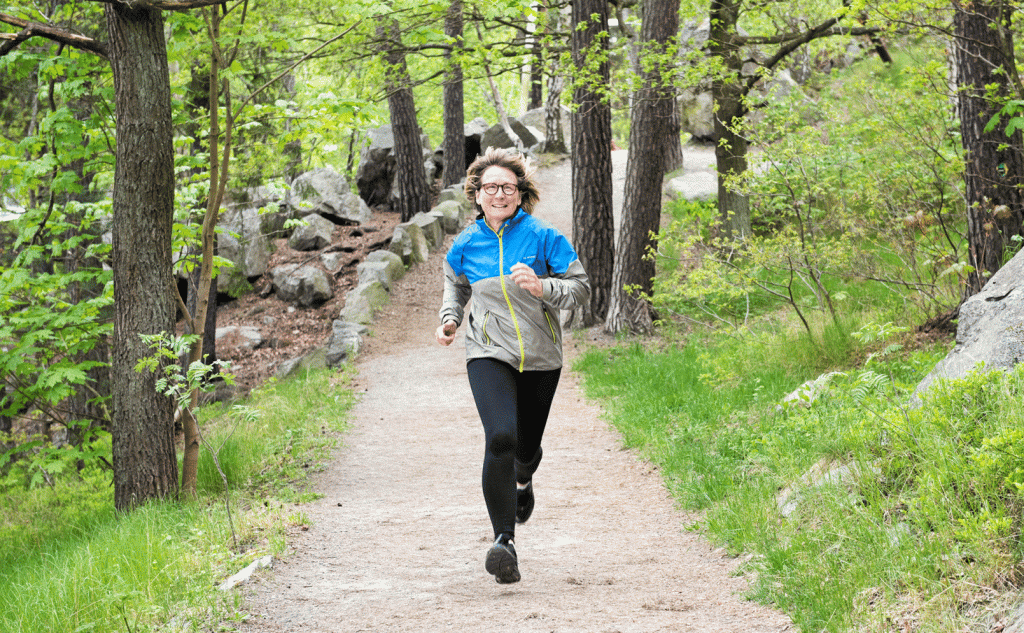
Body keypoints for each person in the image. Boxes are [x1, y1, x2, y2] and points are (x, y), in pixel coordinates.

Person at [435, 147, 590, 584]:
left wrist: (543, 287)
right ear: (477, 195)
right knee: (500, 437)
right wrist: (450, 318)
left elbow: (580, 288)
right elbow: (455, 283)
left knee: (525, 450)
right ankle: (504, 542)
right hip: (487, 350)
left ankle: (524, 479)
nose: (499, 194)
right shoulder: (466, 243)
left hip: (542, 357)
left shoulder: (544, 238)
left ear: (520, 194)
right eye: (490, 188)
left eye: (507, 187)